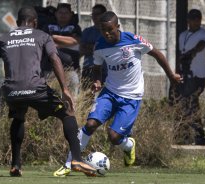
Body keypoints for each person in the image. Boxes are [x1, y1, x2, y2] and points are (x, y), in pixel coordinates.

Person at [53, 11, 182, 177]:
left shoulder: (133, 40)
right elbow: (97, 68)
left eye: (110, 30)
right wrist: (97, 81)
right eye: (103, 30)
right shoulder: (100, 45)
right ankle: (70, 163)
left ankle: (128, 145)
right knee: (90, 124)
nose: (107, 34)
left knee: (114, 137)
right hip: (110, 92)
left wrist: (171, 75)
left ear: (117, 27)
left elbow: (156, 53)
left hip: (132, 97)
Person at [0, 7, 96, 177]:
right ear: (35, 22)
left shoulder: (4, 38)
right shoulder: (42, 35)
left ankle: (15, 164)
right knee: (67, 112)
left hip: (12, 91)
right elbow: (54, 58)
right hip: (36, 88)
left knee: (18, 116)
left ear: (17, 22)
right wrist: (65, 89)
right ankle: (76, 159)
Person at [171, 9, 205, 145]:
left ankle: (198, 135)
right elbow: (181, 54)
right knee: (185, 103)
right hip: (184, 73)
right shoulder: (183, 35)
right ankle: (186, 135)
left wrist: (191, 53)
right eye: (192, 19)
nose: (194, 21)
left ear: (200, 20)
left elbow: (202, 45)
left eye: (197, 19)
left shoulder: (203, 34)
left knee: (191, 101)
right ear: (188, 20)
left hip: (198, 74)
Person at [43, 3, 82, 96]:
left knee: (72, 98)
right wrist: (65, 42)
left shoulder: (75, 27)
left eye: (66, 13)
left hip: (71, 70)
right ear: (56, 14)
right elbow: (44, 41)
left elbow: (75, 41)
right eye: (60, 12)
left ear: (71, 14)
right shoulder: (47, 26)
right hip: (49, 70)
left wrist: (54, 37)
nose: (63, 15)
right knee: (50, 98)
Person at [80, 4, 107, 90]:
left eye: (97, 14)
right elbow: (81, 50)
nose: (94, 16)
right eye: (93, 14)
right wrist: (97, 48)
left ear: (104, 15)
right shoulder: (87, 31)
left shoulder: (108, 32)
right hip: (88, 68)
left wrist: (90, 47)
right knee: (87, 97)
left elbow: (108, 50)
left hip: (105, 69)